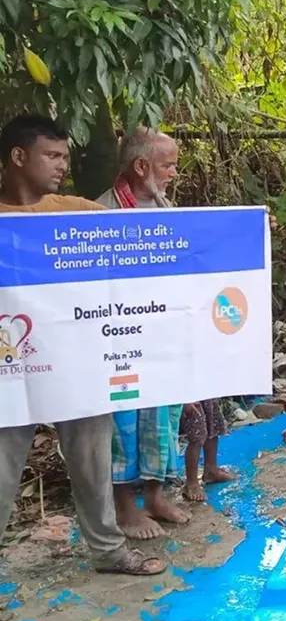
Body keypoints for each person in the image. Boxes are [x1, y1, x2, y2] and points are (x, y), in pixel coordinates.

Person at [0, 114, 164, 575]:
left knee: (94, 462)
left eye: (65, 156)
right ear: (18, 157)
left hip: (74, 365)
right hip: (8, 371)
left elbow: (152, 239)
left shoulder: (72, 209)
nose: (61, 165)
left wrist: (248, 228)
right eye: (52, 155)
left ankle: (109, 551)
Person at [95, 128, 194, 538]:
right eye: (168, 164)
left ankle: (155, 495)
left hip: (160, 333)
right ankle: (124, 508)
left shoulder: (165, 207)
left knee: (162, 414)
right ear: (141, 166)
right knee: (123, 421)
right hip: (118, 335)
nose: (173, 172)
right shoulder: (100, 211)